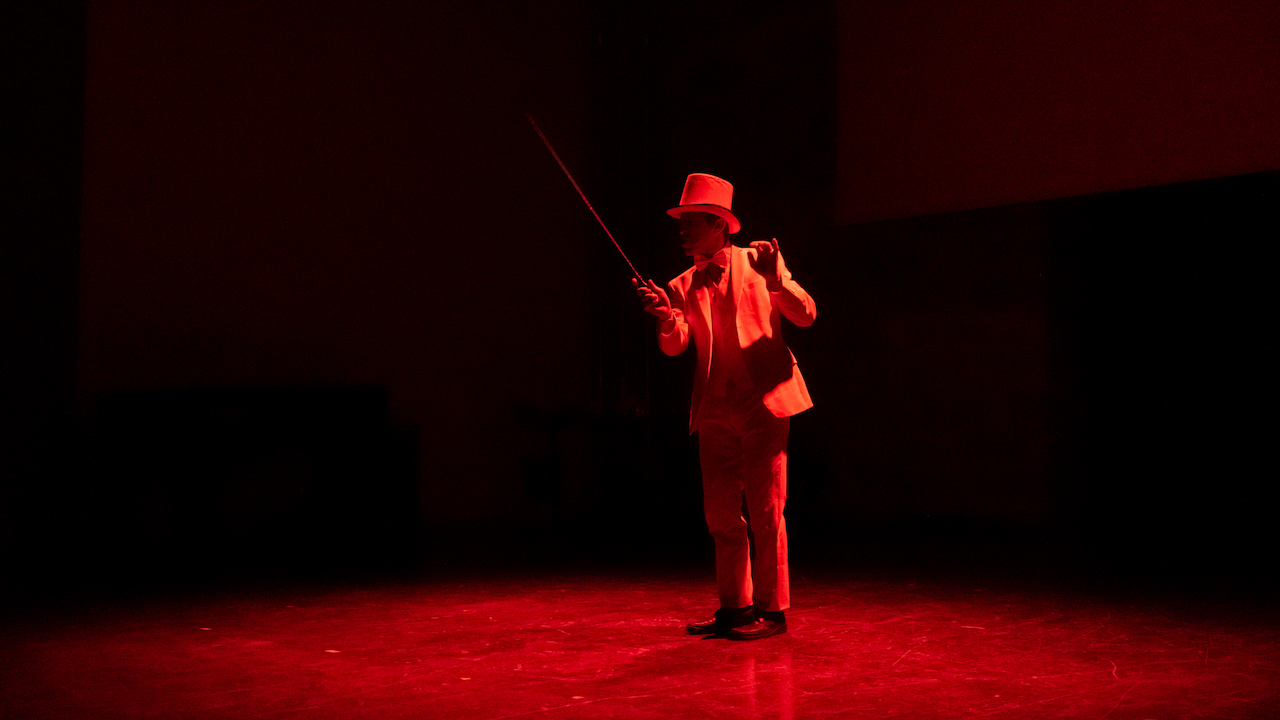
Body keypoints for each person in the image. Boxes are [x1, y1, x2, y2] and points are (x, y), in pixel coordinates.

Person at [634, 173, 816, 640]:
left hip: (764, 401)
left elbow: (806, 314)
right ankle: (736, 606)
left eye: (691, 222)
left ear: (719, 224)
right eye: (680, 223)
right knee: (719, 513)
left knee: (766, 509)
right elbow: (676, 347)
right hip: (715, 406)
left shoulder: (760, 261)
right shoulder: (681, 283)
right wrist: (665, 318)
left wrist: (776, 281)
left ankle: (772, 610)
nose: (682, 230)